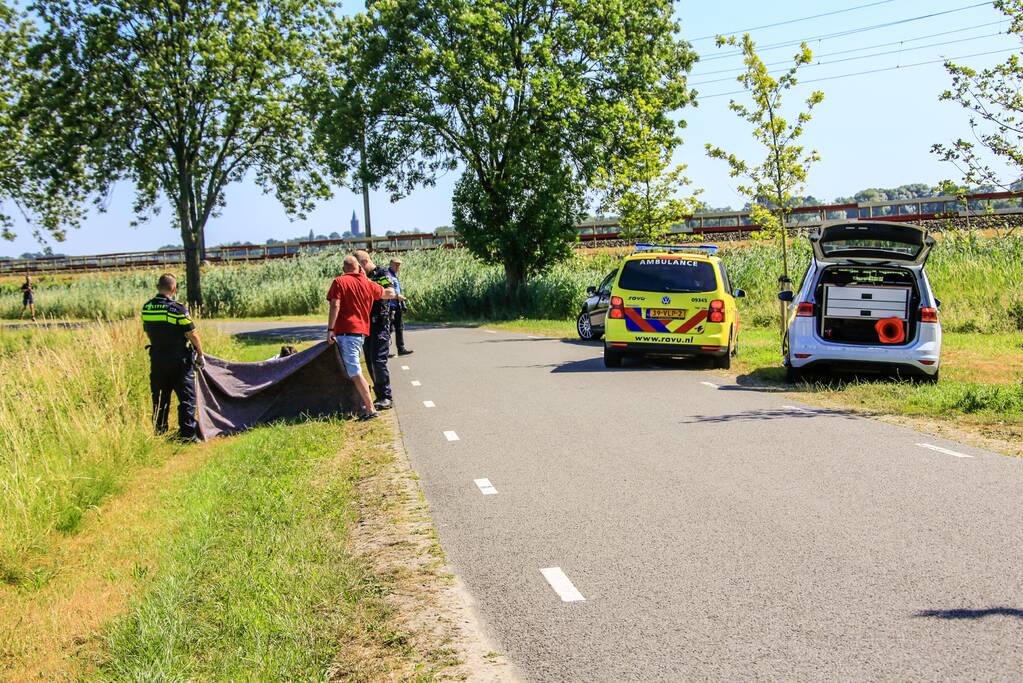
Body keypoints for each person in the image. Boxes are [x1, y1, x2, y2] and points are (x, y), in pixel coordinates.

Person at [327, 255, 398, 420]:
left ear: (344, 269)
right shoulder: (368, 283)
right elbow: (388, 293)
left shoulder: (339, 282)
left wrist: (330, 328)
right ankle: (360, 403)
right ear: (358, 267)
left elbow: (335, 304)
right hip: (362, 332)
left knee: (355, 371)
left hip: (347, 332)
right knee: (355, 368)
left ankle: (370, 408)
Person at [142, 273, 204, 441]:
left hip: (157, 358)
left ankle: (160, 433)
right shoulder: (177, 308)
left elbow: (148, 331)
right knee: (186, 397)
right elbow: (192, 334)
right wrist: (200, 353)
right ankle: (187, 434)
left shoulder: (146, 308)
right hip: (179, 360)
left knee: (160, 398)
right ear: (174, 289)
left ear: (157, 287)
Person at [353, 250, 405, 411]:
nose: (358, 270)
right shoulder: (361, 277)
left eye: (359, 267)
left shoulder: (381, 273)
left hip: (380, 323)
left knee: (378, 360)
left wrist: (370, 290)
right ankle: (379, 395)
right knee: (369, 360)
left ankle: (386, 396)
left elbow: (390, 292)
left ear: (365, 262)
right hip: (366, 324)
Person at [388, 258, 413, 356]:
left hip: (397, 305)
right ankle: (385, 351)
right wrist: (397, 296)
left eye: (399, 265)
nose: (398, 267)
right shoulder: (388, 275)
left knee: (399, 327)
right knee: (389, 329)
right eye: (396, 265)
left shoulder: (395, 275)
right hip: (390, 305)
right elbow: (387, 290)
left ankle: (401, 349)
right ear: (391, 264)